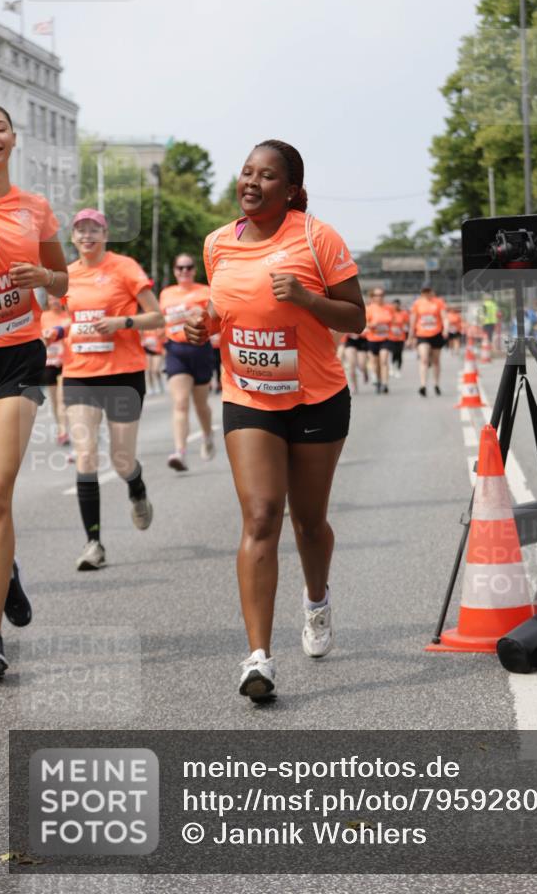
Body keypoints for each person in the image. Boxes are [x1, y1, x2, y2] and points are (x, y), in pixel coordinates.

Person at [185, 139, 364, 702]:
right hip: (249, 397)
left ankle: (316, 602)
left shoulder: (317, 237)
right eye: (245, 172)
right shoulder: (217, 244)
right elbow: (224, 310)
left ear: (289, 190)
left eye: (266, 176)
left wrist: (309, 300)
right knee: (262, 515)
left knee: (309, 522)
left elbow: (357, 317)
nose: (251, 182)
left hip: (316, 398)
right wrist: (204, 326)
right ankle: (258, 658)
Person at [0, 104, 68, 680]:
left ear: (13, 138)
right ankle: (6, 565)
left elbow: (65, 281)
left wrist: (45, 279)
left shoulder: (35, 209)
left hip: (18, 352)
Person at [61, 208, 164, 571]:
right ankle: (94, 543)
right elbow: (56, 316)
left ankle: (136, 487)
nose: (87, 236)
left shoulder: (124, 267)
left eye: (94, 230)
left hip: (123, 374)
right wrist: (58, 331)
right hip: (80, 375)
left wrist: (122, 321)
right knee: (85, 456)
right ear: (73, 237)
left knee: (121, 460)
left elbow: (158, 316)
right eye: (80, 230)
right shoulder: (67, 276)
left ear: (105, 235)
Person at [159, 254, 215, 471]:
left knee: (201, 404)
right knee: (181, 402)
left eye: (188, 267)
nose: (184, 271)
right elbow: (160, 319)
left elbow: (215, 318)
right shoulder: (166, 294)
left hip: (200, 349)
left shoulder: (205, 292)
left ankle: (208, 436)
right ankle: (180, 452)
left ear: (194, 270)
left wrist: (201, 314)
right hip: (176, 350)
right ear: (174, 271)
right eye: (180, 268)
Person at [40, 293, 71, 445]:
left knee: (61, 399)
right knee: (54, 401)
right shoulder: (43, 317)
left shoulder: (68, 316)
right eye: (51, 298)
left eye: (56, 298)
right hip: (49, 363)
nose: (54, 301)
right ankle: (61, 427)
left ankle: (64, 431)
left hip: (65, 361)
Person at [408, 284, 448, 396]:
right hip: (422, 334)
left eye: (428, 291)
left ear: (432, 291)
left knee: (436, 361)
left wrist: (446, 329)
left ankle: (436, 384)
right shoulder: (417, 303)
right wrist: (410, 337)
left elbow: (444, 317)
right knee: (424, 358)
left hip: (436, 334)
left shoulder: (439, 302)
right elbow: (413, 321)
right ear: (421, 293)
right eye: (424, 292)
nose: (426, 294)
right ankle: (423, 385)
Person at [365, 288, 394, 393]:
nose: (380, 297)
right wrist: (372, 325)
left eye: (382, 295)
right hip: (373, 339)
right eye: (377, 295)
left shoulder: (389, 308)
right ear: (372, 297)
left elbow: (393, 321)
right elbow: (365, 324)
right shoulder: (369, 309)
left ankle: (385, 384)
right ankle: (378, 381)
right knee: (376, 364)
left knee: (384, 360)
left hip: (386, 338)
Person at [389, 298, 409, 377]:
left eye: (397, 304)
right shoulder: (390, 313)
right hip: (391, 337)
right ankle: (392, 367)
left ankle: (398, 369)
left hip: (401, 337)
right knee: (394, 353)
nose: (395, 306)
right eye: (394, 304)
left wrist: (407, 337)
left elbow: (407, 325)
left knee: (399, 353)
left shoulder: (403, 313)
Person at [142, 326, 165, 395]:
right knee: (149, 371)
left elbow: (162, 337)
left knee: (155, 370)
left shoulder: (157, 328)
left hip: (157, 350)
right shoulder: (143, 328)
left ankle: (160, 384)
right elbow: (140, 338)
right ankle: (152, 387)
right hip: (147, 350)